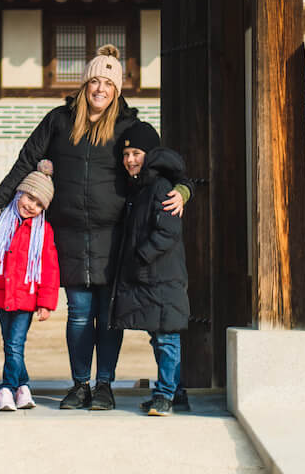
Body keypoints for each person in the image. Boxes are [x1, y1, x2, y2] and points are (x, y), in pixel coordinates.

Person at [0, 45, 186, 411]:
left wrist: (183, 189)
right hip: (70, 233)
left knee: (108, 317)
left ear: (117, 89)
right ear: (84, 85)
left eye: (107, 83)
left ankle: (104, 385)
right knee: (78, 313)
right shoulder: (60, 120)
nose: (100, 89)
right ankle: (80, 384)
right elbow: (27, 158)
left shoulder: (128, 126)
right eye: (94, 81)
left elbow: (160, 164)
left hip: (115, 236)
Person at [110, 121, 189, 417]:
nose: (130, 159)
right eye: (126, 153)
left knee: (167, 337)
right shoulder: (140, 187)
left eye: (137, 153)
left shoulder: (159, 186)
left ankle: (166, 395)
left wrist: (140, 256)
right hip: (152, 277)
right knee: (158, 336)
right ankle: (173, 390)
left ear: (151, 155)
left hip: (162, 275)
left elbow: (168, 231)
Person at [0, 159, 60, 412]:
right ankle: (24, 387)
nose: (32, 206)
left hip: (26, 298)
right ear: (19, 193)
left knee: (14, 344)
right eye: (29, 198)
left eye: (39, 204)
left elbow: (50, 269)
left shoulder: (43, 231)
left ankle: (7, 388)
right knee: (11, 343)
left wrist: (45, 302)